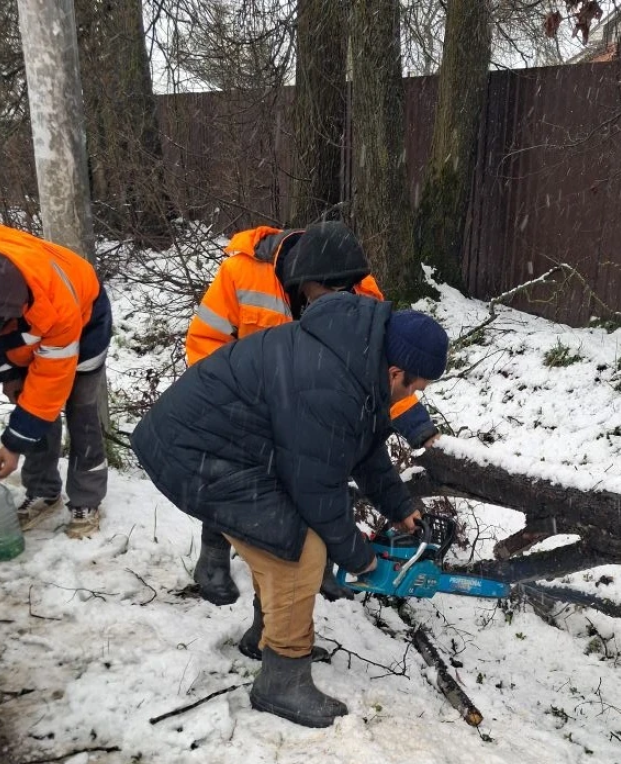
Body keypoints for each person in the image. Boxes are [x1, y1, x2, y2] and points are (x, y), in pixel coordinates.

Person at [131, 294, 448, 729]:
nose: (410, 396)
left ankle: (266, 637)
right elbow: (317, 488)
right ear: (395, 371)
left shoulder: (355, 361)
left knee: (283, 535)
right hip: (195, 452)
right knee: (300, 551)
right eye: (412, 388)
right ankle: (281, 680)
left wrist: (400, 508)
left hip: (232, 446)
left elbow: (362, 450)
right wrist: (361, 559)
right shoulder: (332, 384)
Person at [186, 220, 439, 605]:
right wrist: (229, 398)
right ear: (300, 279)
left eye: (344, 289)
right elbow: (206, 339)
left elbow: (382, 371)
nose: (336, 296)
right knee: (233, 474)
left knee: (317, 477)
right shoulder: (242, 274)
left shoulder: (361, 291)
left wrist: (418, 427)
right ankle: (214, 551)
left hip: (313, 408)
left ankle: (305, 571)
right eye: (326, 290)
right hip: (250, 401)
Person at [0, 224, 112, 538]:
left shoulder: (57, 308)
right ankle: (43, 491)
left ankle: (86, 498)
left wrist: (13, 444)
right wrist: (10, 377)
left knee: (80, 410)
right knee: (26, 402)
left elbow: (47, 389)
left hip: (86, 319)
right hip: (28, 330)